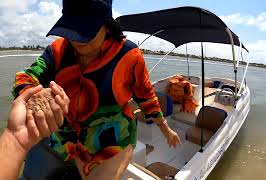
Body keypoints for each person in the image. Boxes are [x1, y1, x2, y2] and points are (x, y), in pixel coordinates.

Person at [13, 0, 181, 179]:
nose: (77, 41)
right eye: (71, 31)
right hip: (68, 139)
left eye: (86, 33)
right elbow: (26, 77)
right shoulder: (58, 50)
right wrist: (32, 94)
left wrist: (165, 129)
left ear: (107, 26)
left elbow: (146, 96)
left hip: (113, 136)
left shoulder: (129, 55)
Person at [0, 84, 66, 180]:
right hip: (48, 141)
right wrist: (33, 93)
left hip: (92, 153)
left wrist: (14, 139)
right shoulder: (47, 69)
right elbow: (25, 77)